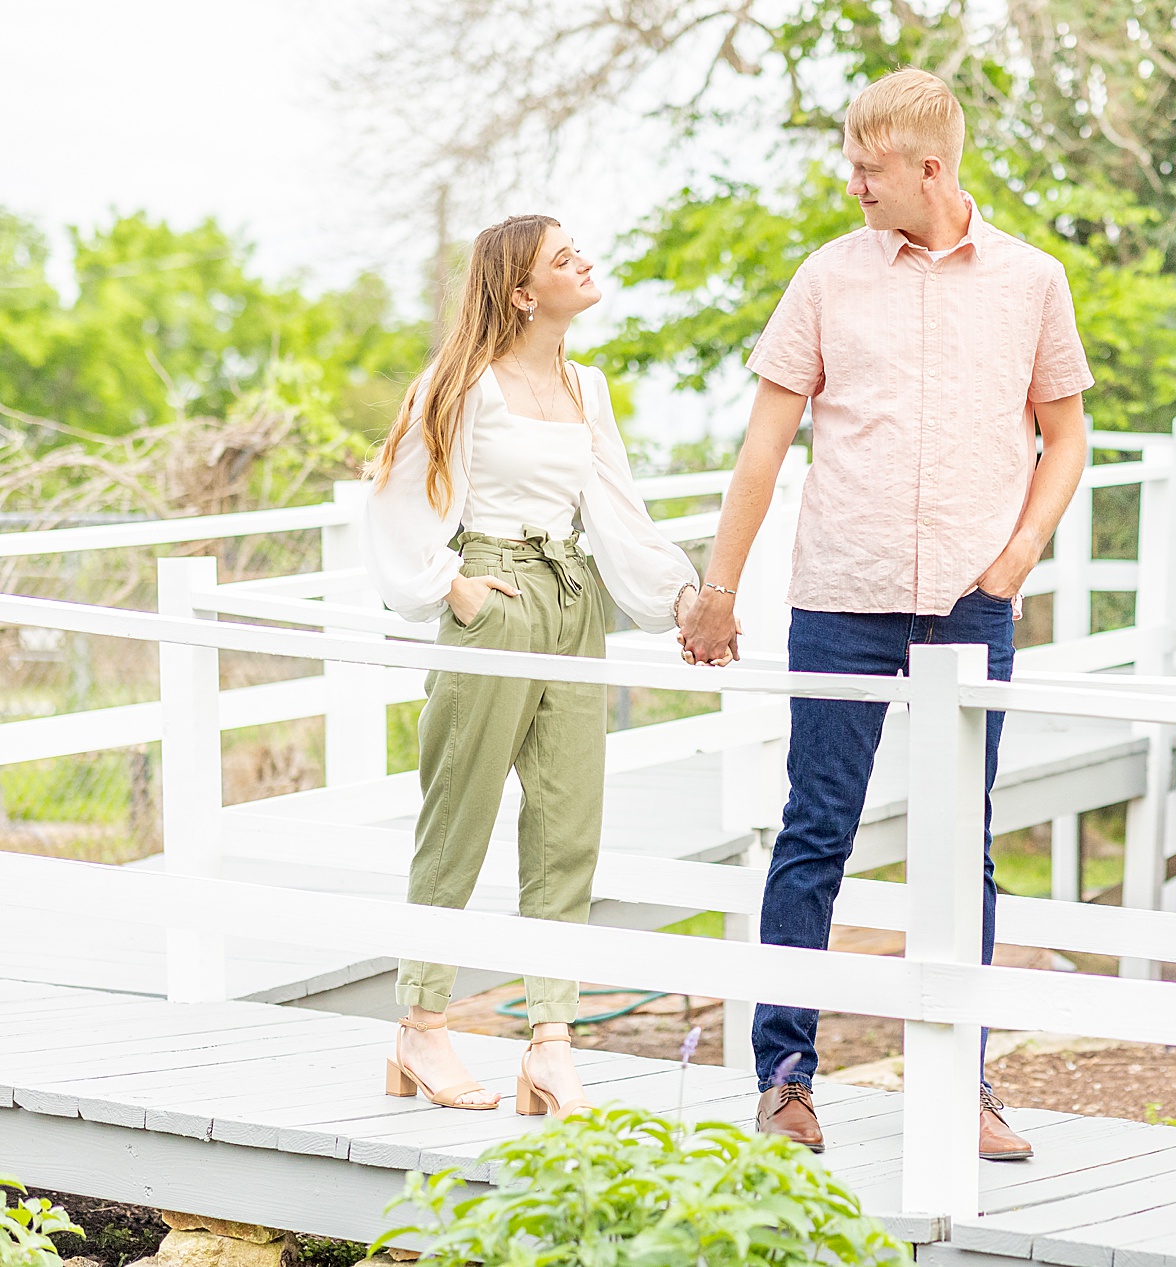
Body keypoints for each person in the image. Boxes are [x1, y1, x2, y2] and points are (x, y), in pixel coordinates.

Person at [678, 69, 1092, 1160]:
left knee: (965, 849)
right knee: (815, 833)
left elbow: (1066, 438)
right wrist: (718, 591)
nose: (853, 184)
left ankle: (961, 1083)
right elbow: (764, 444)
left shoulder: (1032, 281)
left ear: (929, 168)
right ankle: (784, 1081)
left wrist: (1015, 558)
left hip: (971, 606)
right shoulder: (826, 276)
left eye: (869, 168)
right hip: (840, 598)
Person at [363, 214, 700, 1119]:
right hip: (497, 592)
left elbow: (618, 509)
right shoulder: (462, 383)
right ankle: (421, 1025)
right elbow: (394, 492)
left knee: (566, 825)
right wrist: (450, 586)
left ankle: (551, 1043)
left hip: (572, 596)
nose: (583, 262)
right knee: (459, 811)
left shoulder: (587, 386)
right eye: (562, 257)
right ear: (520, 292)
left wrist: (679, 598)